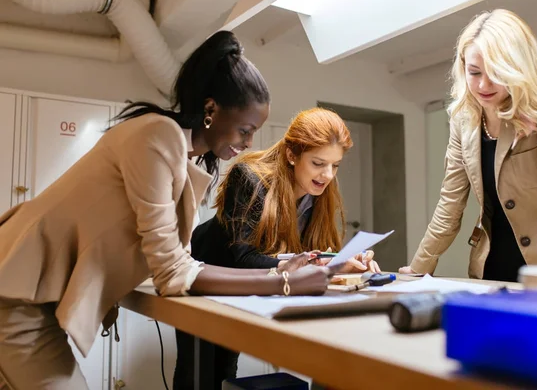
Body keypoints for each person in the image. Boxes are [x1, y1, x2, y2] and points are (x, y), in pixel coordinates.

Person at [0, 31, 331, 390]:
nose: (249, 143)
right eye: (245, 130)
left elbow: (180, 263)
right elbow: (173, 274)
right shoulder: (158, 136)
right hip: (14, 298)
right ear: (210, 111)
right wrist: (283, 284)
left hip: (27, 297)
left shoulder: (178, 155)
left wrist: (280, 270)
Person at [173, 107, 380, 389]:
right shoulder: (248, 178)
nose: (328, 174)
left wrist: (342, 264)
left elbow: (311, 255)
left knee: (226, 366)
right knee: (198, 371)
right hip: (209, 270)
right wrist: (300, 266)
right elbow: (243, 258)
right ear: (292, 155)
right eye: (318, 163)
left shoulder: (318, 188)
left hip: (254, 281)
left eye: (335, 165)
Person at [399, 9, 537, 282]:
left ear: (517, 68)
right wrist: (420, 266)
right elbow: (450, 203)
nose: (483, 84)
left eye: (495, 72)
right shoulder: (463, 120)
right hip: (492, 266)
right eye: (474, 72)